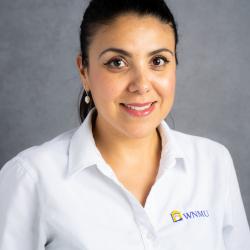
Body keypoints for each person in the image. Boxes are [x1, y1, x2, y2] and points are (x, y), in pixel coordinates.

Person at [0, 0, 249, 249]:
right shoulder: (31, 178)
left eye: (158, 61)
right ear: (84, 71)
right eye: (117, 62)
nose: (141, 85)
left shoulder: (214, 163)